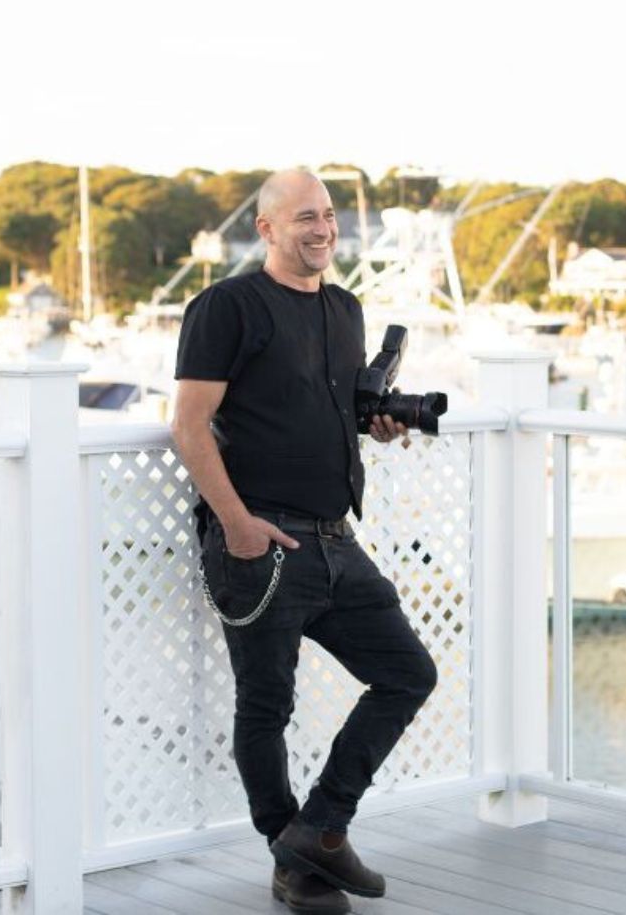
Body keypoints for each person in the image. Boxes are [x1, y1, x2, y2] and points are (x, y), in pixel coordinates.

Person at [172, 169, 437, 914]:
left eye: (326, 216)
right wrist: (237, 524)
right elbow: (190, 425)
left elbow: (330, 409)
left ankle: (320, 828)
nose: (321, 230)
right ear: (266, 229)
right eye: (303, 218)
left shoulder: (346, 308)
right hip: (260, 541)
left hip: (336, 540)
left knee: (408, 673)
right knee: (267, 707)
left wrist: (376, 422)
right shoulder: (226, 306)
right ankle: (291, 860)